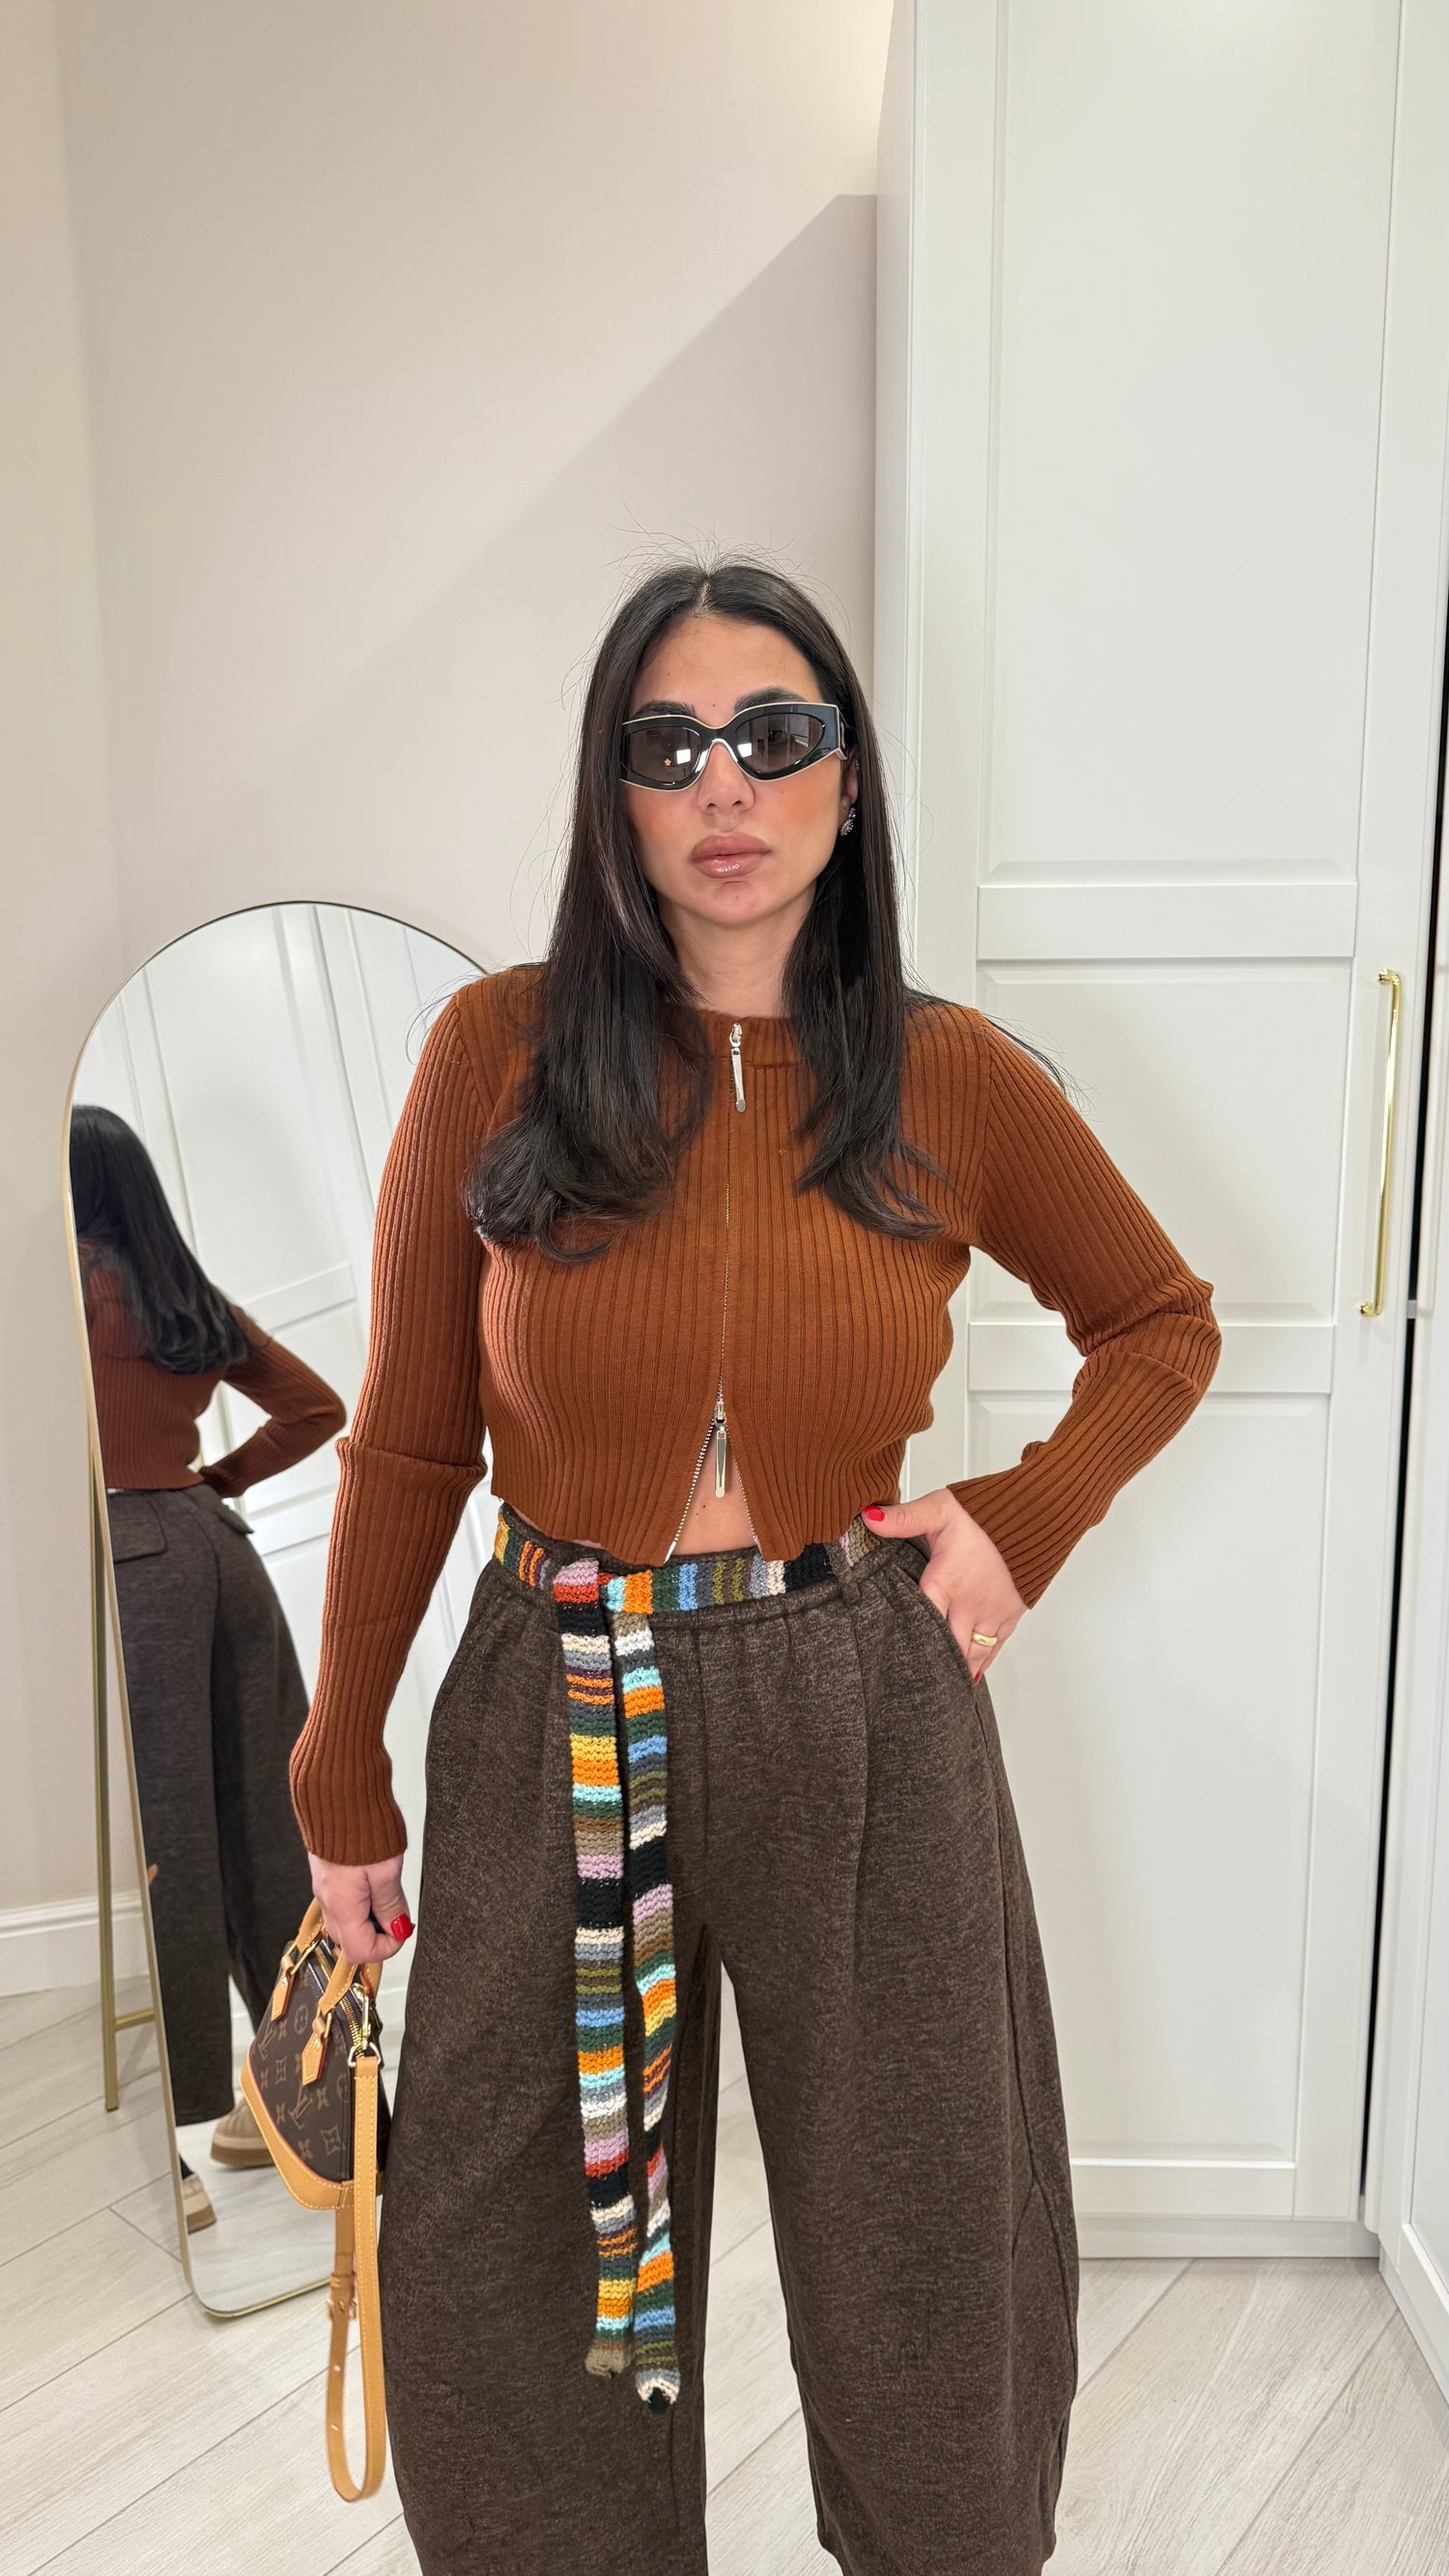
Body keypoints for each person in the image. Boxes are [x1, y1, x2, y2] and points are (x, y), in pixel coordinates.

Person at [287, 553, 1222, 2576]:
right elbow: (413, 1436)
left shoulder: (950, 1074)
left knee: (927, 2237)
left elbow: (1161, 1322)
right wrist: (337, 1758)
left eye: (774, 734)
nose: (725, 782)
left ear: (849, 779)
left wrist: (1021, 1518)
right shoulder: (492, 1049)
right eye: (670, 742)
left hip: (857, 1689)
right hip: (550, 1696)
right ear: (614, 793)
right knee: (510, 2253)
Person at [71, 1105, 347, 2214]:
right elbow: (316, 1408)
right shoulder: (182, 1292)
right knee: (270, 1831)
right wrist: (211, 1486)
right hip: (220, 1555)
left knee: (169, 1848)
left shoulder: (67, 1295)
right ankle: (313, 2104)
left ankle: (175, 2150)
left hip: (136, 1564)